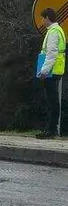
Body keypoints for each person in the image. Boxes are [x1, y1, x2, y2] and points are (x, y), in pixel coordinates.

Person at [36, 8, 65, 139]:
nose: (42, 21)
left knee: (52, 101)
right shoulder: (57, 30)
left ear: (47, 17)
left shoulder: (53, 32)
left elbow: (51, 54)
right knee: (52, 101)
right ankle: (50, 129)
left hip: (52, 71)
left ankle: (51, 130)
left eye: (43, 18)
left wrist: (44, 71)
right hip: (55, 70)